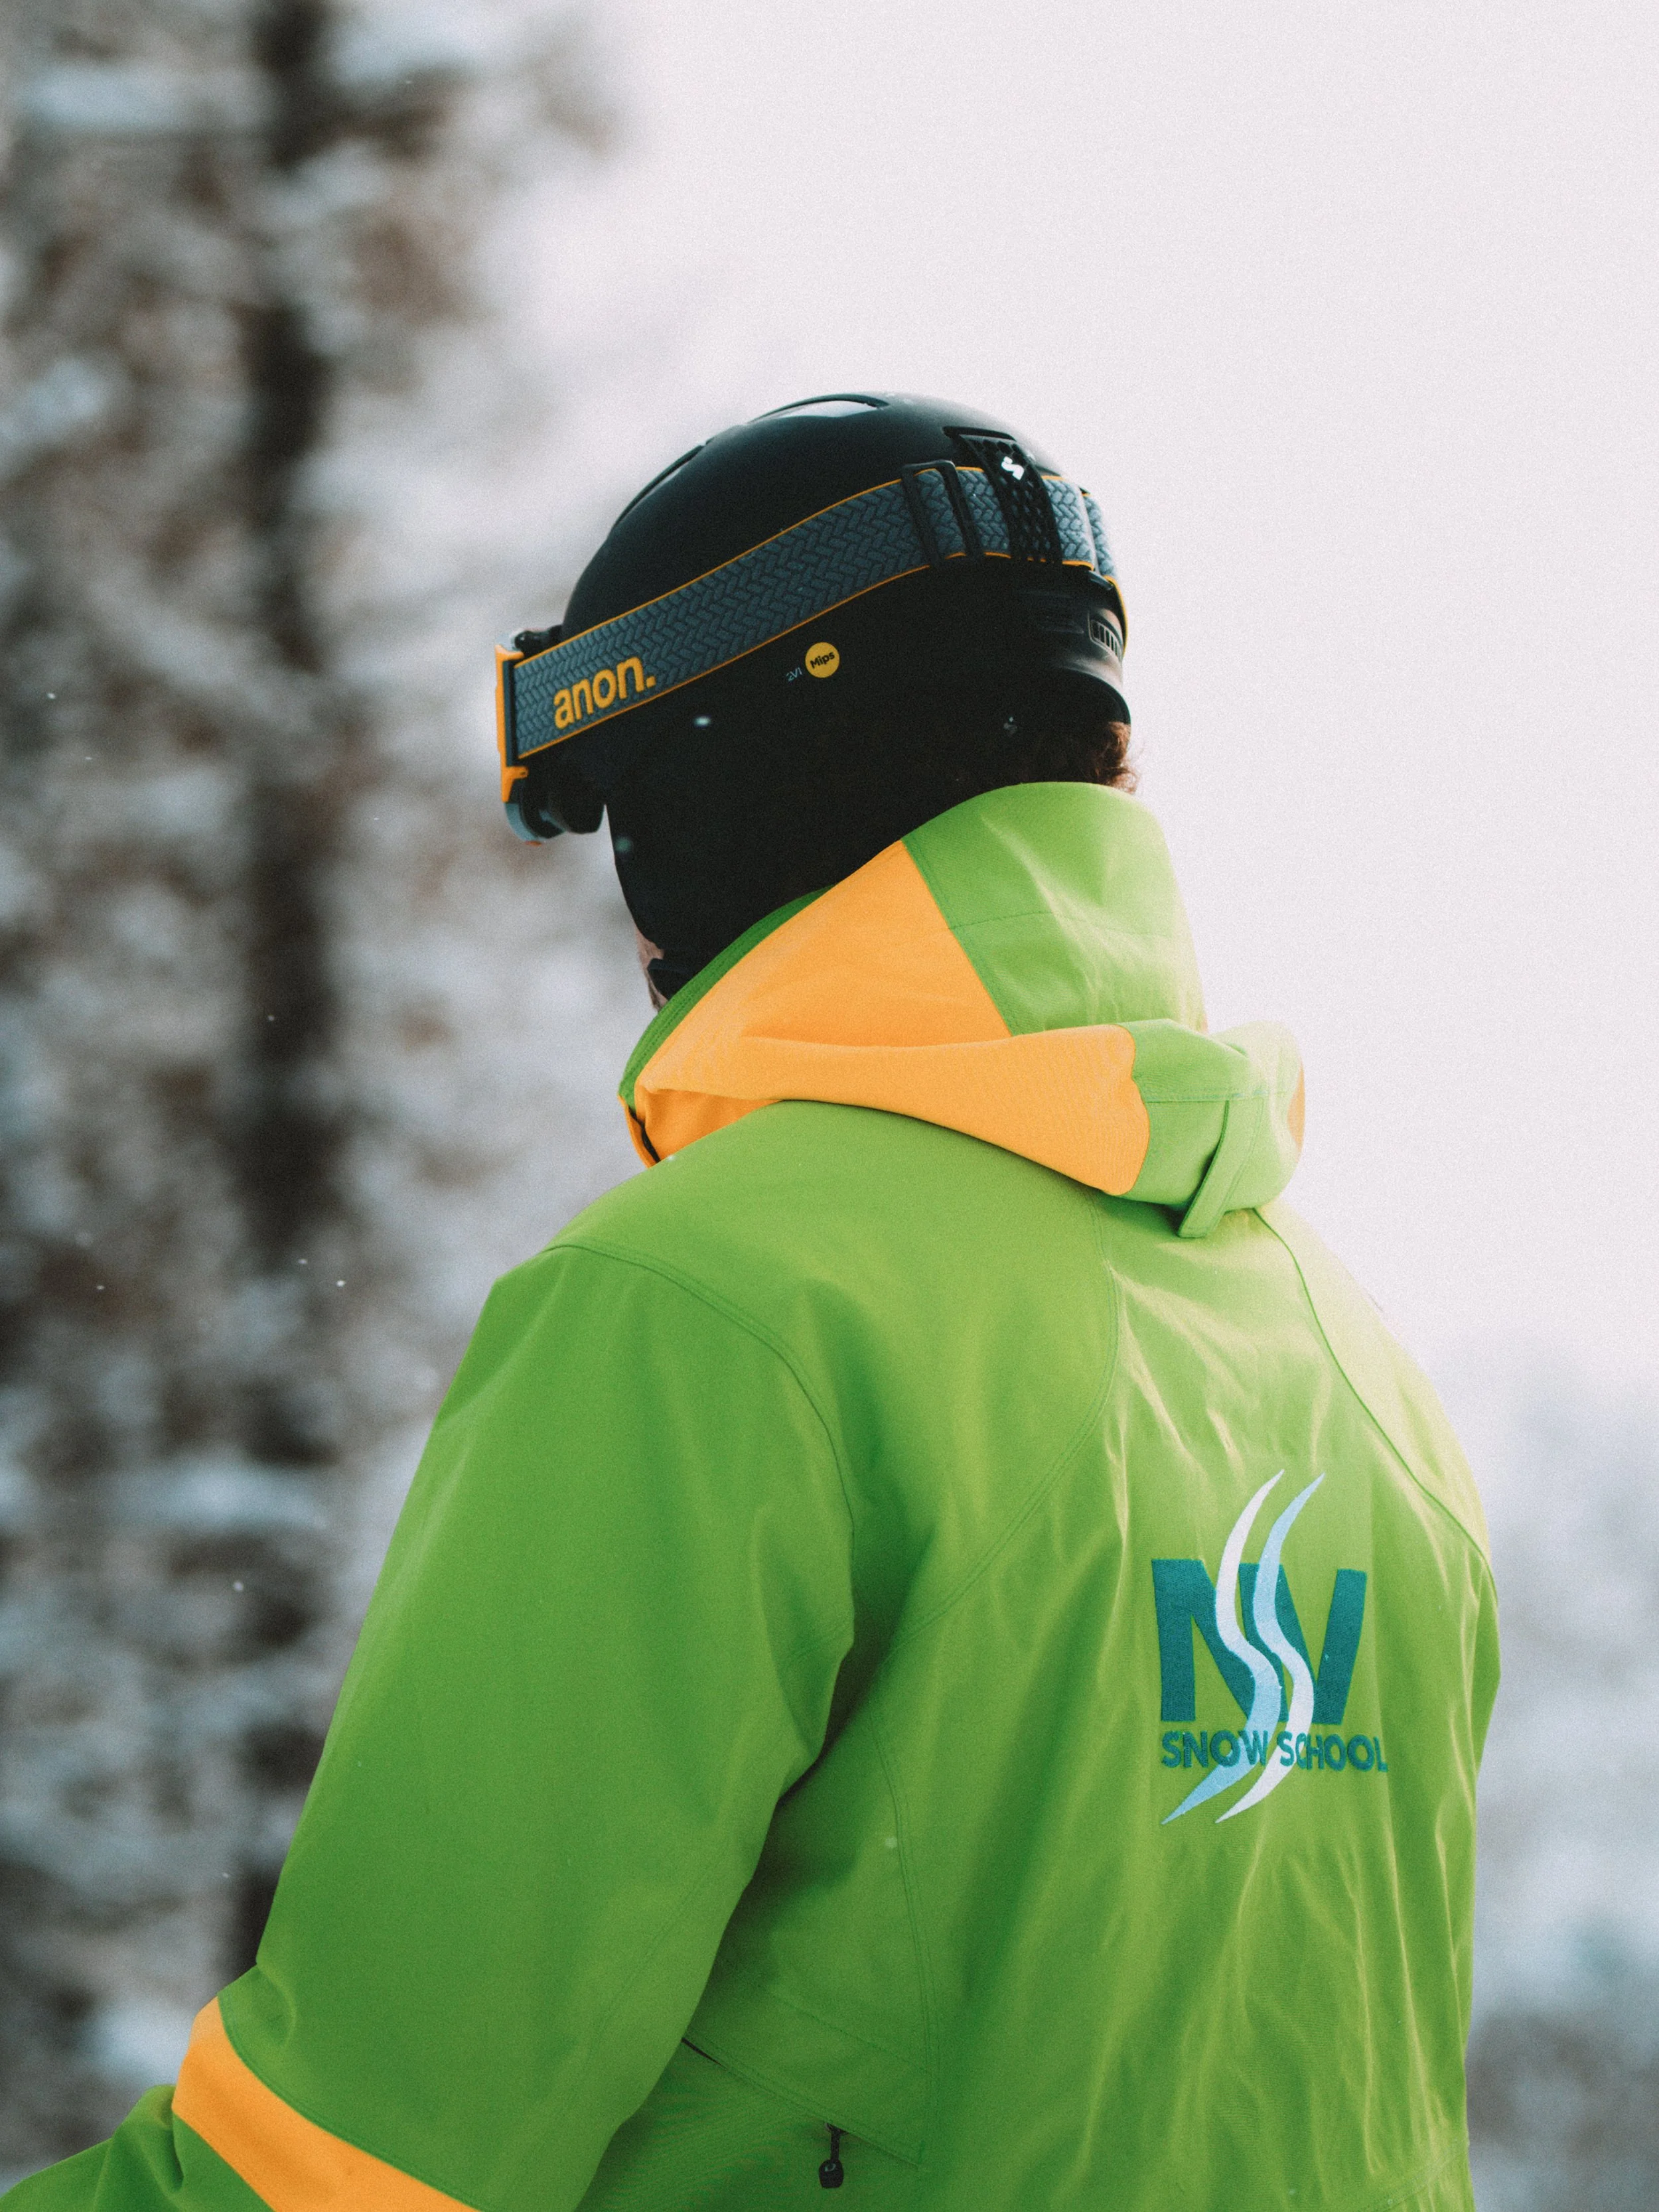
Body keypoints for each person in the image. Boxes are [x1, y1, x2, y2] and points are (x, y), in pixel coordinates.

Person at [9, 394, 1499, 2211]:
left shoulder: (707, 1307)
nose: (635, 924)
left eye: (627, 809)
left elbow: (359, 2161)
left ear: (744, 777)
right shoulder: (1350, 1365)